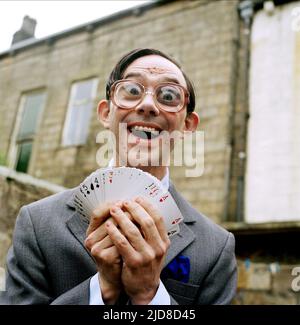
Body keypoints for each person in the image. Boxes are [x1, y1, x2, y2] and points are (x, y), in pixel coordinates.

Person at [0, 48, 237, 305]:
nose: (147, 105)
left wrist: (150, 295)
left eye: (168, 95)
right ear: (105, 113)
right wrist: (102, 289)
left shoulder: (216, 248)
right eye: (133, 91)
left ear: (188, 126)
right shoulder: (37, 224)